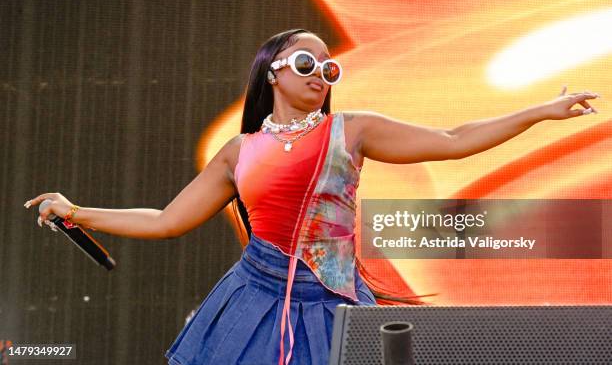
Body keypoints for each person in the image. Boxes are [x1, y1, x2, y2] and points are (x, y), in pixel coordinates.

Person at [24, 29, 601, 365]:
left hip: (332, 306)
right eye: (307, 63)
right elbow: (168, 219)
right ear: (272, 72)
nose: (321, 74)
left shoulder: (352, 130)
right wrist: (76, 211)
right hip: (251, 304)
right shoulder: (239, 151)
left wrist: (540, 111)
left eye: (329, 67)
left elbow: (452, 141)